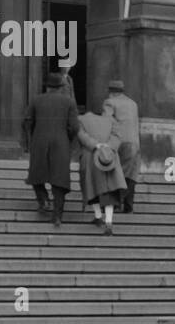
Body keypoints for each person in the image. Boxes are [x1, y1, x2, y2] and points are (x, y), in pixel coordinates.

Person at [22, 72, 80, 227]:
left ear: (46, 86)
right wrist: (67, 138)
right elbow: (75, 126)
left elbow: (27, 122)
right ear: (61, 87)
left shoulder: (36, 100)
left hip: (39, 141)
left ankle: (43, 200)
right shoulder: (69, 102)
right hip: (61, 143)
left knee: (36, 174)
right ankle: (57, 216)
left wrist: (31, 139)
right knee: (59, 179)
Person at [75, 108, 126, 236]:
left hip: (90, 157)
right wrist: (108, 146)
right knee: (109, 191)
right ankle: (109, 222)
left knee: (91, 187)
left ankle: (98, 217)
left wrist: (96, 145)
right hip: (109, 158)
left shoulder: (81, 120)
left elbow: (81, 135)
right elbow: (117, 137)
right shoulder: (111, 120)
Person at [102, 79, 140, 213]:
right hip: (134, 143)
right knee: (130, 174)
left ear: (111, 92)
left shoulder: (109, 102)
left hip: (118, 143)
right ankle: (128, 206)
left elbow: (106, 122)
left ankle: (115, 202)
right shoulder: (133, 104)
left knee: (113, 171)